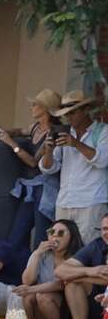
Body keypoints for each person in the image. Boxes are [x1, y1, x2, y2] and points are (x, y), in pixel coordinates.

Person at [0, 89, 64, 248]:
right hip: (29, 188)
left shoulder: (52, 132)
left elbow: (34, 162)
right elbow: (21, 131)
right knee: (17, 233)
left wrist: (10, 143)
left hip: (44, 187)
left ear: (45, 109)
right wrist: (6, 131)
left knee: (41, 235)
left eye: (35, 104)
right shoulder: (35, 127)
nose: (32, 107)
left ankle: (38, 270)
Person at [38, 90, 107, 241]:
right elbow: (48, 168)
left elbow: (102, 160)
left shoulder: (103, 131)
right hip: (64, 202)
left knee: (89, 248)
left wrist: (76, 144)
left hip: (91, 202)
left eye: (72, 113)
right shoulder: (65, 133)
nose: (68, 117)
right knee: (61, 249)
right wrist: (48, 151)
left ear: (86, 110)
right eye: (65, 114)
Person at [9, 219, 84, 319]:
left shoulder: (78, 255)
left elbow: (61, 284)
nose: (54, 236)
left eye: (60, 233)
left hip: (72, 311)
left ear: (71, 236)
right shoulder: (42, 254)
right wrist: (36, 254)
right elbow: (27, 281)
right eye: (51, 232)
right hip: (46, 309)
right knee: (27, 296)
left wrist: (32, 289)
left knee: (41, 296)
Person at [54, 211, 108, 319]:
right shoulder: (97, 245)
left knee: (74, 278)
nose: (105, 233)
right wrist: (92, 271)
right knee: (72, 284)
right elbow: (60, 271)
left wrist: (81, 276)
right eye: (104, 229)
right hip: (99, 304)